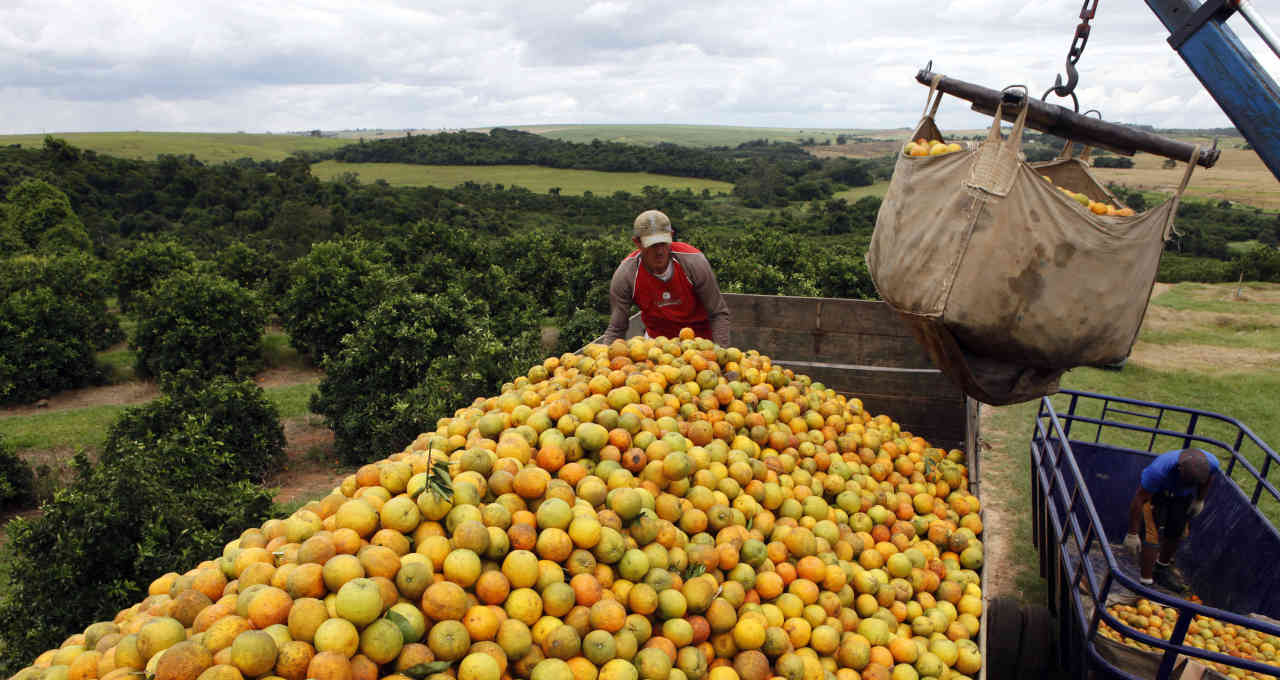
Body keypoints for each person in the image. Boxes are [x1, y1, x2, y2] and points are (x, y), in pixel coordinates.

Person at [600, 209, 731, 347]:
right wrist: (604, 359)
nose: (660, 251)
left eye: (664, 242)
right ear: (637, 242)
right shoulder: (627, 275)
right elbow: (617, 328)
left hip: (699, 341)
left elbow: (718, 313)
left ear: (671, 236)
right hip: (657, 344)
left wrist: (720, 353)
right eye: (653, 245)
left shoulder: (693, 262)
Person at [1122, 448, 1219, 593]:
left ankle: (1161, 569)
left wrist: (1199, 499)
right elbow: (1139, 499)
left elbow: (1209, 478)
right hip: (1157, 494)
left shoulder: (1211, 463)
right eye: (1187, 481)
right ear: (1179, 470)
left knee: (1176, 532)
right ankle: (1146, 583)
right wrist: (1132, 533)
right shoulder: (1157, 471)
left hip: (1182, 497)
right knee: (1151, 535)